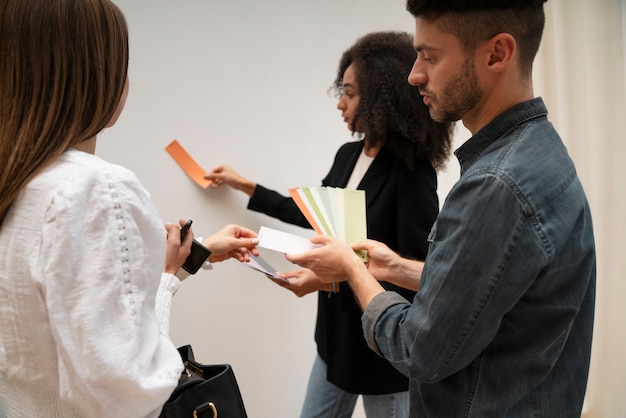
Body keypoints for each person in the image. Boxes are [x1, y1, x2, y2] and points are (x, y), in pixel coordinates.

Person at [286, 0, 597, 417]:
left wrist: (353, 269)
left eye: (430, 57)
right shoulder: (541, 151)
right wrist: (394, 267)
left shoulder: (494, 187)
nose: (414, 75)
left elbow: (419, 349)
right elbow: (486, 290)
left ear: (497, 54)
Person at [0, 1, 258, 417]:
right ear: (93, 74)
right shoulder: (96, 187)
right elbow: (131, 389)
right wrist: (168, 280)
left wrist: (200, 249)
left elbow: (67, 283)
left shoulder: (19, 181)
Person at [206, 32, 452, 417]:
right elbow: (309, 211)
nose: (340, 103)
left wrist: (326, 280)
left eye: (350, 93)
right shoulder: (347, 155)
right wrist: (243, 184)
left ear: (380, 98)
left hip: (382, 349)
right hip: (334, 339)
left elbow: (413, 274)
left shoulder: (412, 172)